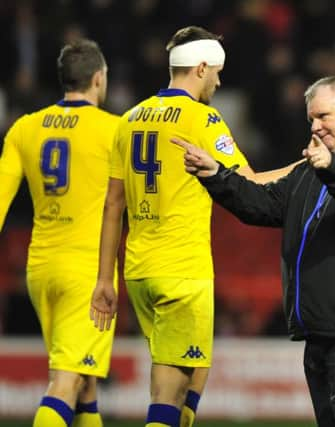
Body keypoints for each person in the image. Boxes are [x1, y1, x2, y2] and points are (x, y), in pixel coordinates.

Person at [171, 75, 335, 427]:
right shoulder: (312, 169)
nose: (316, 127)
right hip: (324, 332)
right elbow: (261, 204)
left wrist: (332, 168)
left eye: (323, 116)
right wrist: (215, 175)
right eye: (310, 120)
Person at [89, 26, 296, 427]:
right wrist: (306, 165)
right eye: (216, 72)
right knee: (167, 392)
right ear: (200, 68)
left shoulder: (129, 119)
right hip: (181, 269)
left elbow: (114, 204)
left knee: (194, 371)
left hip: (140, 271)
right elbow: (249, 181)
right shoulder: (201, 119)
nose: (218, 81)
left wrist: (105, 279)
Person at [0, 39, 117, 427]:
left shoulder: (24, 128)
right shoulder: (114, 130)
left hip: (41, 271)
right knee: (66, 382)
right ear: (98, 79)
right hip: (86, 273)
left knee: (85, 385)